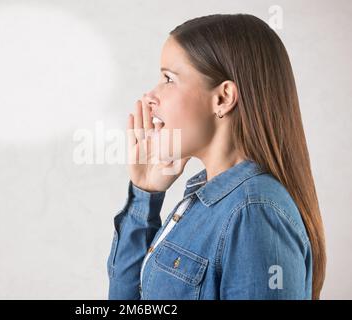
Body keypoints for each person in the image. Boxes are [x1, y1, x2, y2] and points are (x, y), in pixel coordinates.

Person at [106, 13, 326, 300]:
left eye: (168, 78)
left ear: (223, 98)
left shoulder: (254, 212)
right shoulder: (207, 200)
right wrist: (145, 193)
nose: (150, 96)